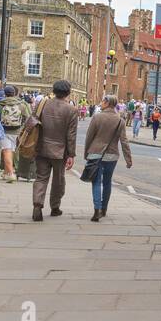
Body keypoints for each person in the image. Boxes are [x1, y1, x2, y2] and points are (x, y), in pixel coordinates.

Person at [31, 79, 78, 221]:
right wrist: (71, 155)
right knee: (58, 180)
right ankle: (55, 207)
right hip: (60, 151)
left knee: (41, 178)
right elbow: (71, 135)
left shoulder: (42, 104)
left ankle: (37, 206)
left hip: (41, 147)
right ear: (68, 92)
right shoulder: (71, 110)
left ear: (54, 90)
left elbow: (33, 122)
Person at [83, 94, 133, 222]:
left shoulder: (97, 117)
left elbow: (89, 137)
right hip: (112, 155)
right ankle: (104, 209)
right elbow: (124, 141)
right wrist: (128, 159)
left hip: (95, 153)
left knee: (96, 182)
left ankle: (97, 210)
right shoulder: (120, 121)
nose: (101, 102)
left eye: (103, 100)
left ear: (107, 102)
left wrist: (86, 154)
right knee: (107, 182)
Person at [0, 84, 29, 182]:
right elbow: (27, 118)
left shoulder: (0, 104)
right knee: (13, 151)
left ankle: (10, 174)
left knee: (7, 151)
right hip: (17, 131)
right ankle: (7, 172)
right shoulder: (21, 104)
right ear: (14, 93)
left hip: (4, 131)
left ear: (5, 94)